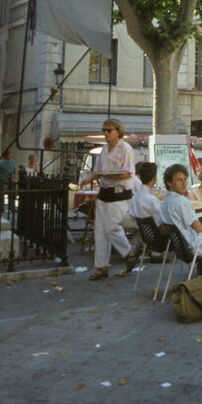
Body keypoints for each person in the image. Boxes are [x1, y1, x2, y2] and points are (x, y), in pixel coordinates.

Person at [85, 118, 137, 281]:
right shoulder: (104, 150)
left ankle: (128, 252)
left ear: (118, 132)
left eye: (109, 130)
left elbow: (128, 173)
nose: (106, 133)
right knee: (100, 230)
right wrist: (89, 179)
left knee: (111, 227)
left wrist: (109, 175)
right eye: (104, 130)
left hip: (119, 192)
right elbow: (99, 171)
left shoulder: (125, 149)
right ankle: (102, 267)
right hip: (105, 192)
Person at [159, 163, 202, 264]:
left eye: (185, 179)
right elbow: (198, 228)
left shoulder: (163, 203)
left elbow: (164, 230)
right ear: (169, 182)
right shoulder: (181, 202)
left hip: (181, 249)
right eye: (179, 180)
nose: (184, 183)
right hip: (196, 247)